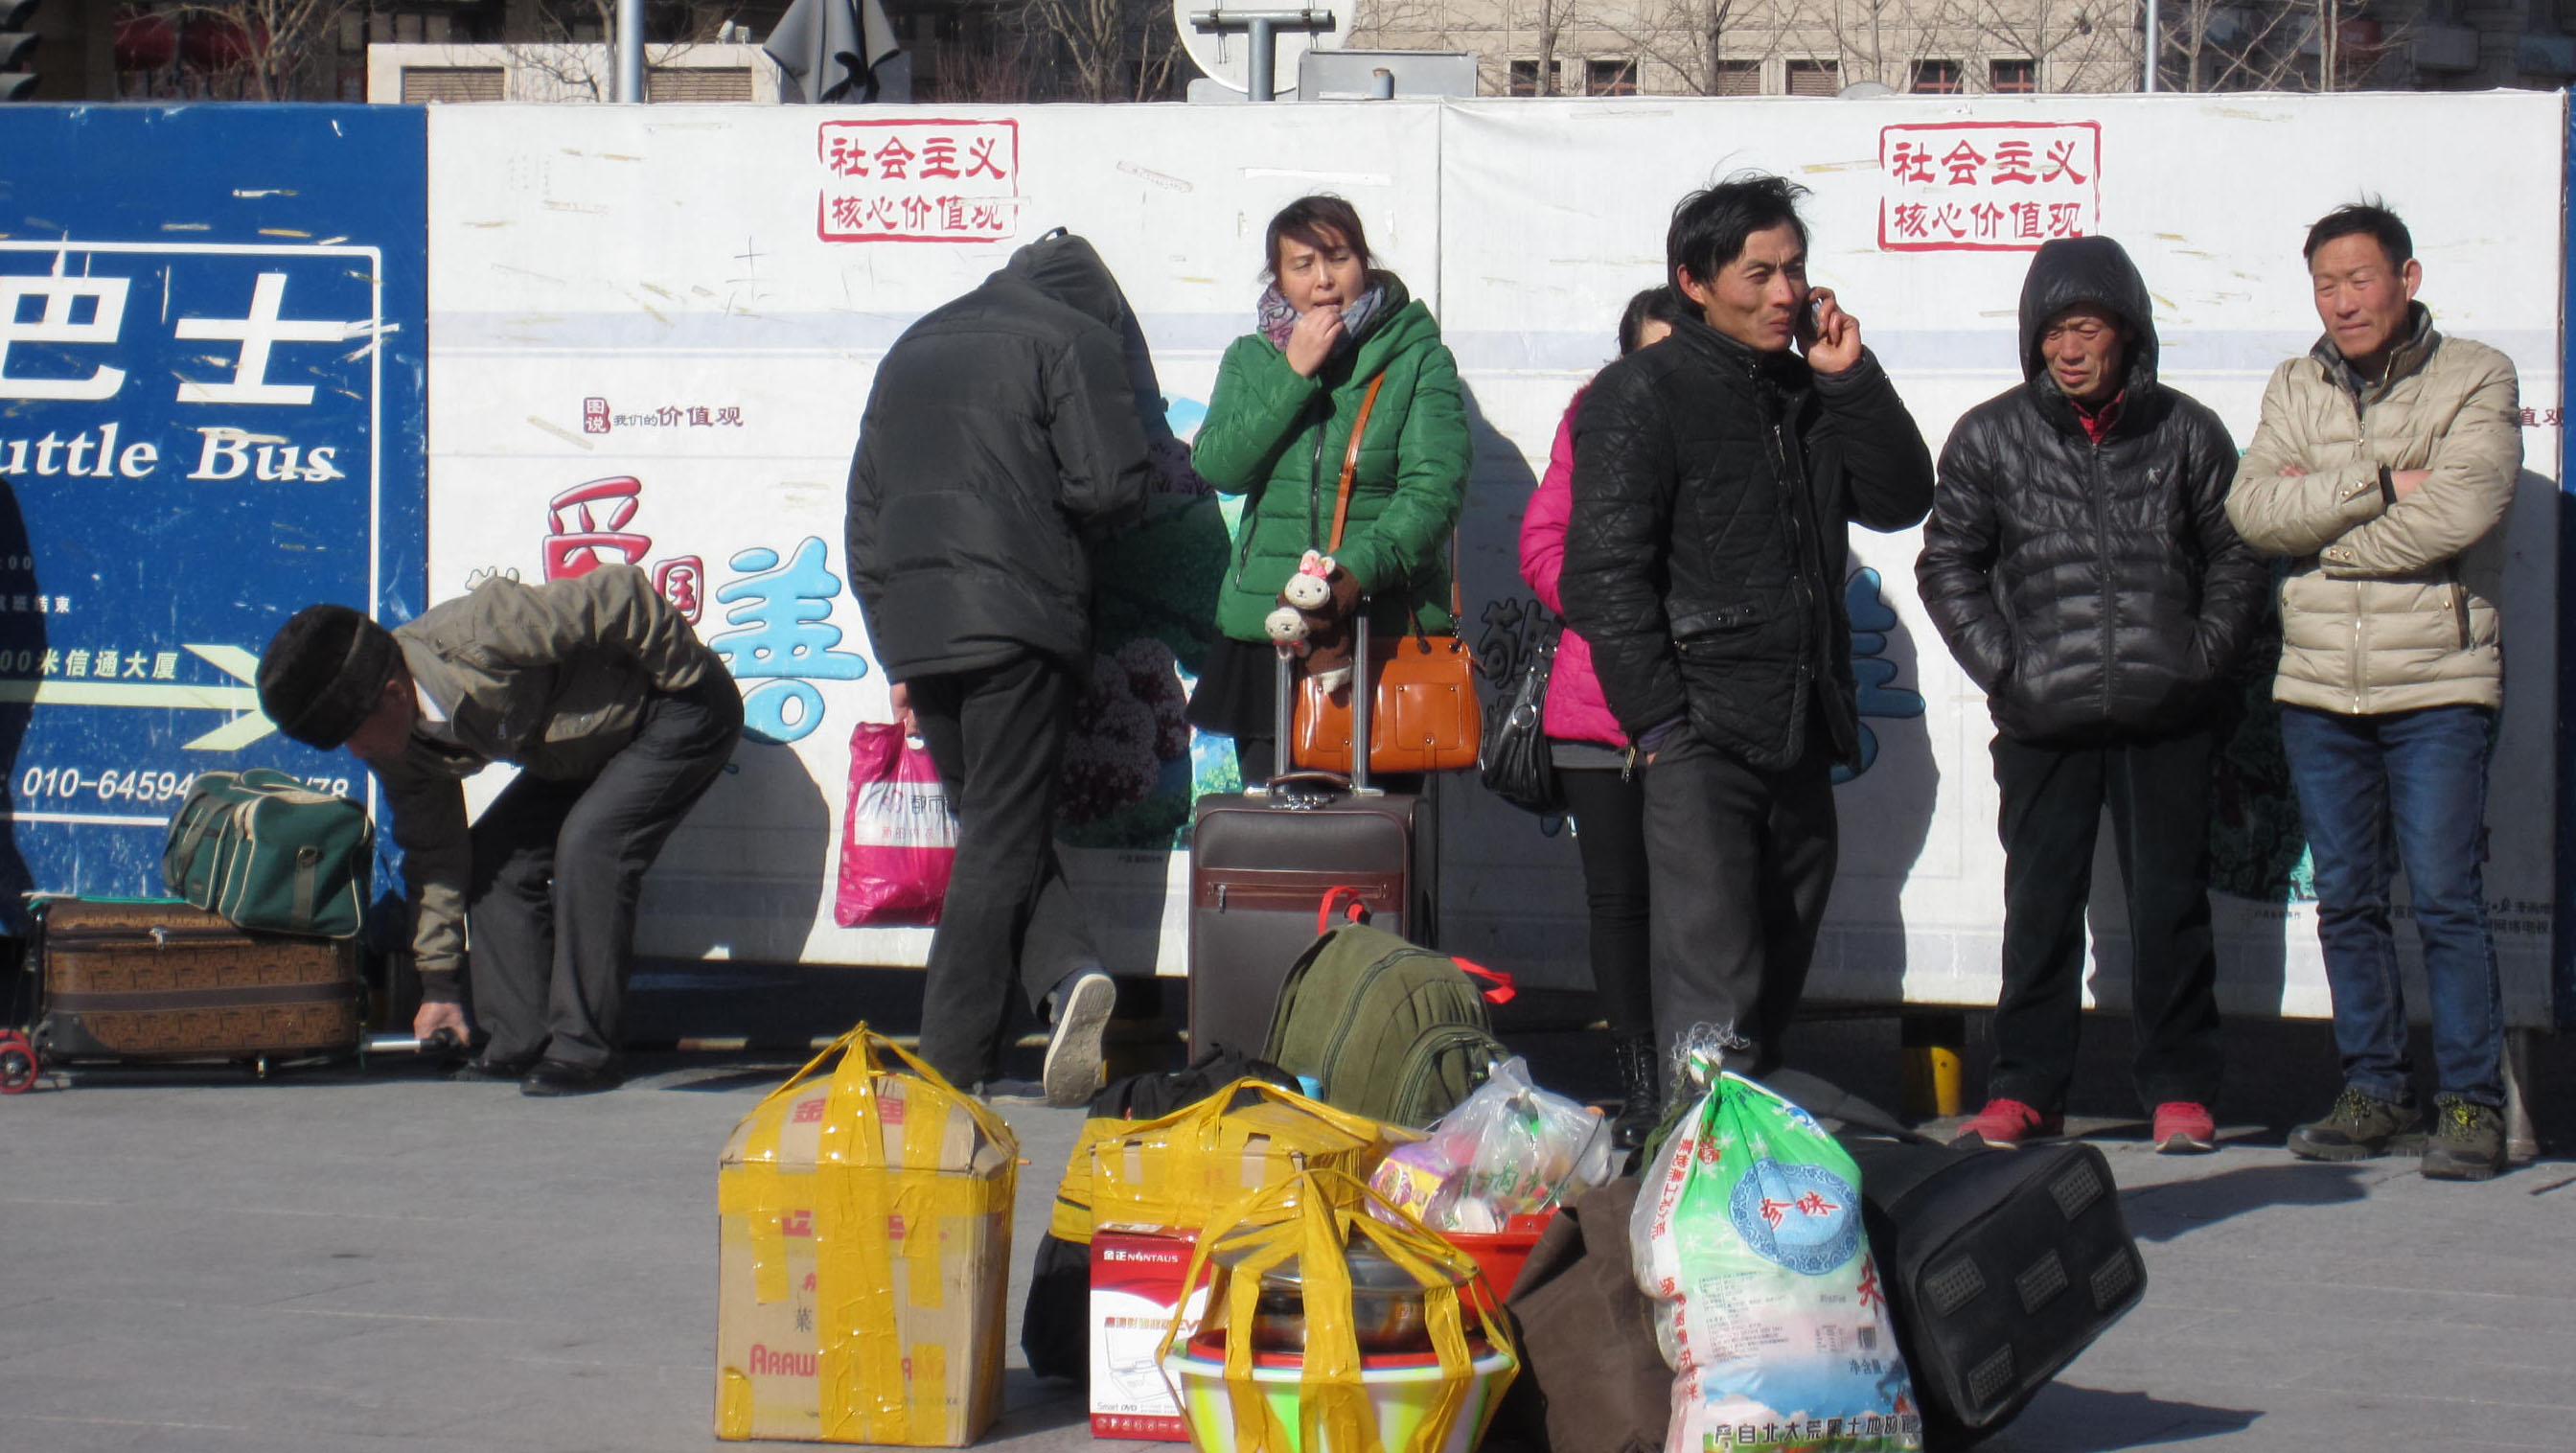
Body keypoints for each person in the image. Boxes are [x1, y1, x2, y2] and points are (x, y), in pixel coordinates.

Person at [1560, 174, 1935, 1083]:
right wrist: (1662, 727)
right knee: (1712, 996)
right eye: (1758, 273)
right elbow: (1603, 576)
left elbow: (1900, 497)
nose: (1784, 293)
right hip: (1699, 733)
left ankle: (1744, 1156)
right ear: (1694, 282)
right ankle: (1697, 1157)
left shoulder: (1807, 392)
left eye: (1794, 270)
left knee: (1774, 977)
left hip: (1801, 723)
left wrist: (1849, 378)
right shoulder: (1639, 394)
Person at [1917, 236, 2266, 1154]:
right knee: (2039, 908)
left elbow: (2236, 556)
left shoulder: (2186, 431)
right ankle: (2024, 1089)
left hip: (2167, 715)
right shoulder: (1991, 435)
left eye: (2087, 328)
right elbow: (1947, 563)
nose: (2069, 350)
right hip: (2044, 719)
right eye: (2053, 332)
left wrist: (2199, 660)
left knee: (2170, 910)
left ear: (2128, 332)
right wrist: (2010, 669)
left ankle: (2180, 1090)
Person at [2225, 202, 2521, 1181]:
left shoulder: (2477, 374)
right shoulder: (2294, 382)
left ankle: (2471, 1103)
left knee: (2445, 899)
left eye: (2360, 279)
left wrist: (2327, 537)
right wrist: (2386, 483)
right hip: (2317, 687)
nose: (2344, 301)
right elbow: (2254, 511)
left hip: (2439, 683)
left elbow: (2466, 508)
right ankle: (2374, 1090)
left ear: (2407, 278)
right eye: (2326, 285)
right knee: (2347, 901)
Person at [845, 229, 1152, 1107]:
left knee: (993, 826)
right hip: (1020, 619)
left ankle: (1068, 974)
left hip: (919, 628)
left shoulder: (914, 343)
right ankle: (949, 1061)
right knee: (1000, 835)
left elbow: (863, 513)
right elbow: (1109, 487)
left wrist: (893, 644)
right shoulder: (1072, 338)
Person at [255, 565, 744, 1096]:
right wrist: (440, 986)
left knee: (591, 844)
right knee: (493, 858)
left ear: (393, 694)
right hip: (582, 753)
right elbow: (437, 855)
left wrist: (687, 682)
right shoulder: (396, 748)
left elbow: (622, 596)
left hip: (675, 712)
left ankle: (585, 1052)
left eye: (353, 735)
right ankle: (519, 1040)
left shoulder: (483, 631)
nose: (355, 753)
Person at [1184, 196, 1471, 785]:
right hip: (1267, 630)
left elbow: (1433, 491)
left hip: (1378, 630)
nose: (1323, 280)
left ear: (1364, 261)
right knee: (1271, 830)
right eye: (1302, 264)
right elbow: (1219, 466)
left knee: (1374, 827)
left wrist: (1349, 574)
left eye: (1338, 258)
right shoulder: (1250, 359)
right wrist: (1293, 373)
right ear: (1277, 277)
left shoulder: (1418, 358)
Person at [1517, 284, 1694, 1148]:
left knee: (1698, 907)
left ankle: (1702, 1082)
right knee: (1619, 904)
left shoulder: (1724, 424)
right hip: (1594, 705)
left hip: (1695, 705)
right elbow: (1541, 542)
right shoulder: (1589, 420)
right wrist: (1611, 607)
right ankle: (1640, 1088)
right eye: (1646, 355)